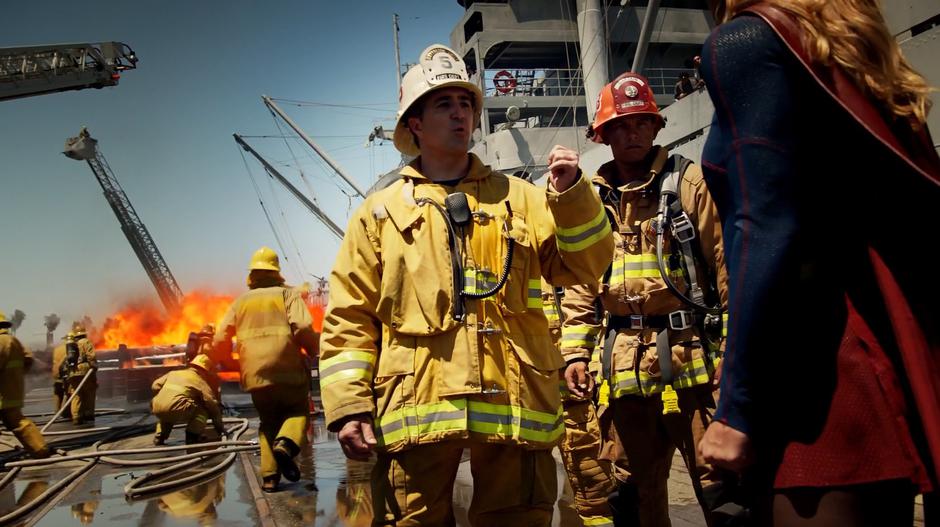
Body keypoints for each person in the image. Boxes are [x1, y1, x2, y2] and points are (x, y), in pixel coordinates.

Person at [319, 43, 614, 526]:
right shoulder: (378, 214)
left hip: (515, 408)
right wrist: (350, 405)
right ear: (414, 124)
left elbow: (584, 267)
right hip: (417, 412)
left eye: (466, 104)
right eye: (443, 104)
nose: (460, 114)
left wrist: (571, 198)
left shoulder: (523, 198)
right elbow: (349, 317)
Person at [697, 1, 940, 524]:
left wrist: (736, 408)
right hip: (878, 360)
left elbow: (762, 227)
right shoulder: (841, 46)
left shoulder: (746, 42)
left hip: (811, 383)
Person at [565, 71, 729, 527]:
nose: (631, 133)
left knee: (719, 482)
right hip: (622, 372)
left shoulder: (689, 184)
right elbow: (580, 284)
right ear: (604, 134)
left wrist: (733, 348)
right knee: (631, 493)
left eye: (639, 123)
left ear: (656, 128)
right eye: (620, 125)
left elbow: (725, 263)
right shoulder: (592, 202)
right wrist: (575, 353)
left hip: (693, 362)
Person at [213, 246, 319, 493]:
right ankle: (286, 445)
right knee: (298, 412)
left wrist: (230, 363)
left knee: (267, 422)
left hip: (255, 375)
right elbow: (302, 326)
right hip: (288, 369)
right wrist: (313, 350)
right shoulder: (287, 295)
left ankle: (270, 477)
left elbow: (219, 339)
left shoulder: (240, 302)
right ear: (276, 272)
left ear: (252, 274)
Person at [541, 281, 617, 527]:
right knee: (525, 488)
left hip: (579, 388)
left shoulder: (573, 254)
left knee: (594, 480)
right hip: (528, 384)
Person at [0, 310, 50, 459]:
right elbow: (28, 358)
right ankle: (40, 448)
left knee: (15, 420)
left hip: (1, 392)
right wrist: (18, 375)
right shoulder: (13, 340)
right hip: (13, 390)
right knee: (18, 422)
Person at [151, 353, 226, 446]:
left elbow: (155, 385)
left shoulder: (173, 373)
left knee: (168, 409)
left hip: (157, 407)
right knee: (203, 410)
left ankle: (159, 437)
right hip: (176, 409)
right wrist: (220, 429)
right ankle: (192, 436)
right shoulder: (199, 380)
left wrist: (165, 395)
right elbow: (212, 405)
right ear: (204, 370)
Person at [62, 322, 97, 425]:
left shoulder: (71, 345)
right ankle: (88, 414)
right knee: (89, 392)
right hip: (85, 371)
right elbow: (91, 356)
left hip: (73, 372)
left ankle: (76, 417)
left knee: (76, 394)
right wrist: (94, 366)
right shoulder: (86, 342)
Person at [51, 332, 73, 417]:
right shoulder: (69, 348)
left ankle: (56, 412)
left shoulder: (57, 348)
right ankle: (65, 412)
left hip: (56, 373)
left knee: (57, 392)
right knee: (68, 392)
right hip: (65, 373)